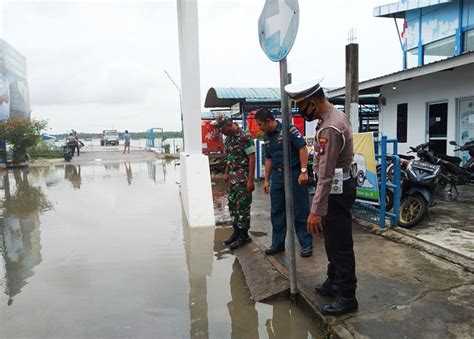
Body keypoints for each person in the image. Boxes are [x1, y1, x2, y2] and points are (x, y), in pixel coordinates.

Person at [285, 78, 358, 316]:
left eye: (302, 106)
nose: (300, 111)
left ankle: (347, 296)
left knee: (340, 245)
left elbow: (325, 175)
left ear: (314, 103)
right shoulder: (333, 116)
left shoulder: (329, 127)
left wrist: (315, 210)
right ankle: (333, 281)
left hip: (336, 190)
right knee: (332, 241)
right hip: (339, 186)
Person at [255, 109, 313, 258]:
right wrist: (266, 180)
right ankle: (278, 244)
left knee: (300, 210)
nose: (259, 128)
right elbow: (268, 159)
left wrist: (304, 171)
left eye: (260, 124)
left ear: (268, 121)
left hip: (294, 174)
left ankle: (306, 244)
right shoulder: (267, 138)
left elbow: (302, 148)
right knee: (277, 211)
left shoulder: (289, 130)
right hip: (278, 176)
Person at [215, 115, 256, 250]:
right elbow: (229, 158)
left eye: (223, 130)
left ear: (230, 124)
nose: (223, 133)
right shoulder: (228, 139)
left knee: (242, 207)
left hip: (243, 179)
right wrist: (226, 172)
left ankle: (244, 236)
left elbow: (252, 158)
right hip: (232, 178)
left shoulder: (245, 137)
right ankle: (236, 232)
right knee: (232, 205)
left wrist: (250, 180)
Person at [0, 54, 10, 121]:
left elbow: (7, 99)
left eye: (2, 65)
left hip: (4, 118)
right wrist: (2, 97)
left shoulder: (5, 79)